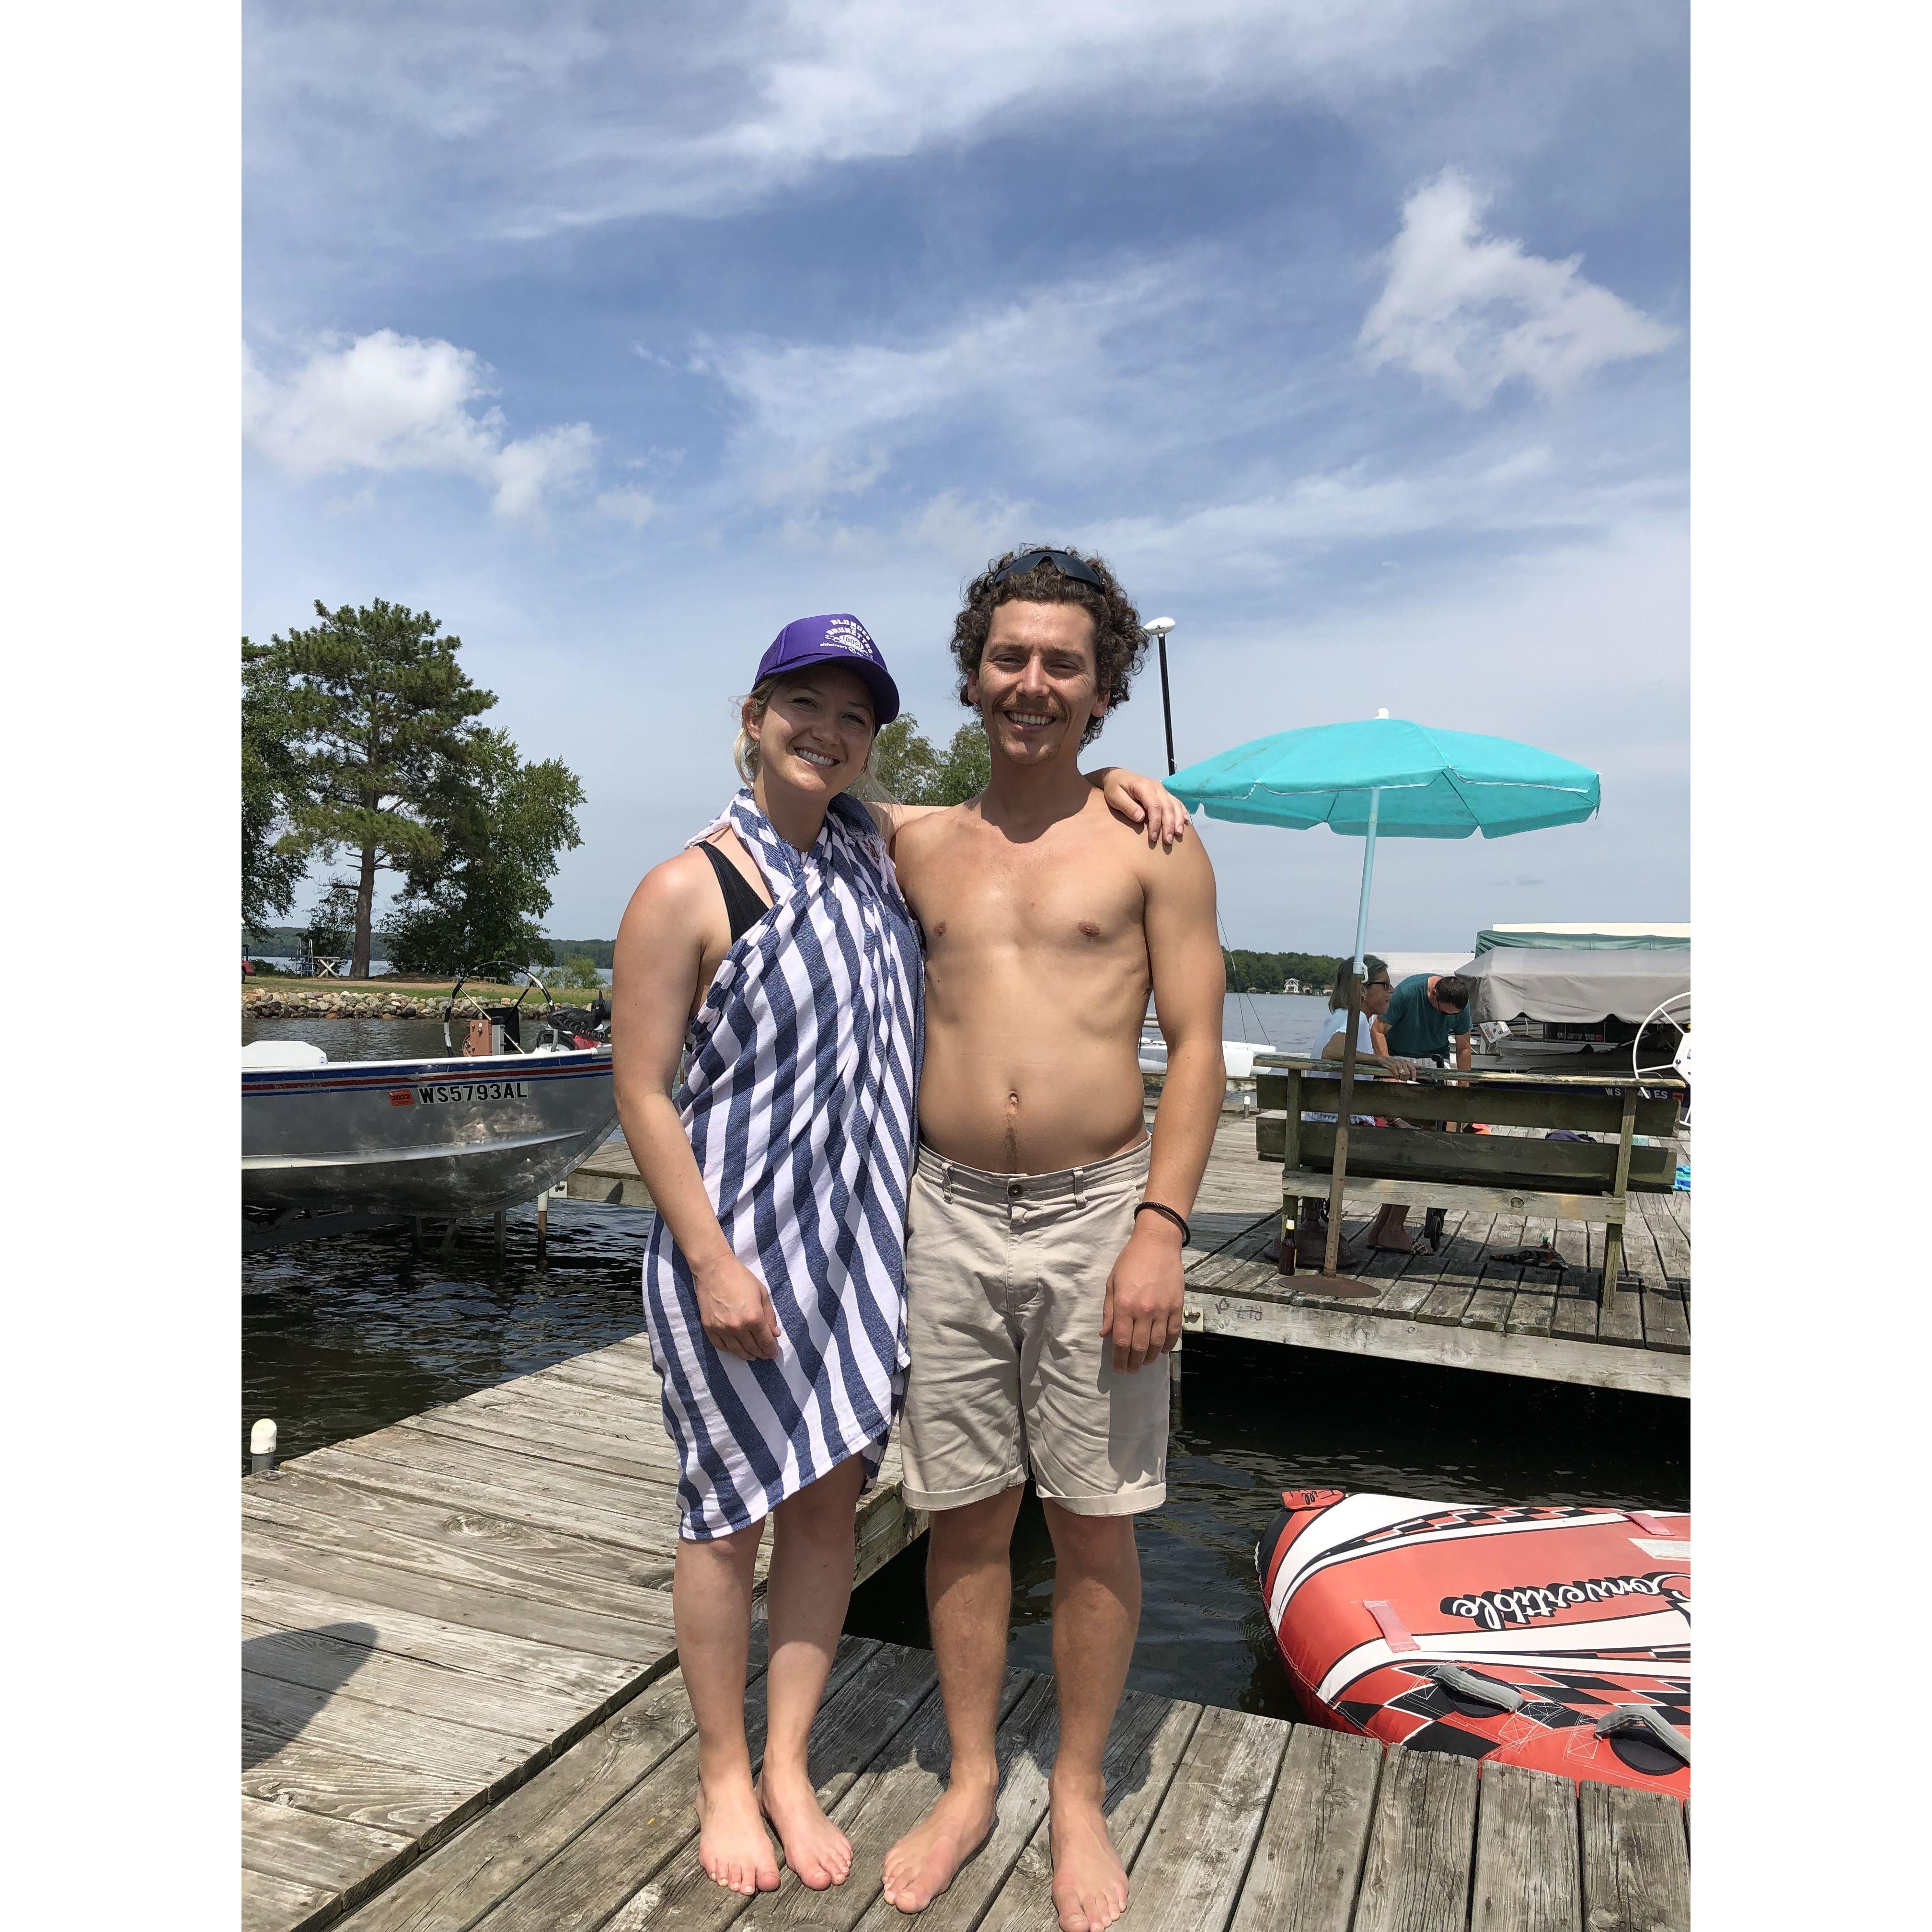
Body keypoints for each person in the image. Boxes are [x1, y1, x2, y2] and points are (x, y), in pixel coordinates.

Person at [610, 613, 1185, 1901]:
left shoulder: (874, 846)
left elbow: (993, 818)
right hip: (766, 1250)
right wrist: (708, 1258)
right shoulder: (709, 882)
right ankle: (738, 1771)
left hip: (894, 1243)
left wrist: (1114, 780)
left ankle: (823, 1766)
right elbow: (640, 1088)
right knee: (734, 1516)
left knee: (843, 1510)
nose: (825, 734)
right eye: (799, 708)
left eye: (852, 718)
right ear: (752, 714)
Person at [877, 548, 1225, 1932]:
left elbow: (1196, 1044)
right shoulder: (904, 839)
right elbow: (794, 782)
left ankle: (1075, 1791)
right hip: (944, 1208)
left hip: (1100, 1213)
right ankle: (969, 1780)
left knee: (1096, 1519)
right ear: (972, 674)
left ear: (1103, 687)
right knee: (962, 1517)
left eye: (1063, 663)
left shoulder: (1155, 837)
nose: (1033, 683)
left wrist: (1162, 1229)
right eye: (1011, 657)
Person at [1296, 956, 1416, 1265]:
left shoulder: (1346, 1018)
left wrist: (1394, 1119)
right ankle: (1390, 1229)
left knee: (1407, 1136)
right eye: (1385, 985)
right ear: (1362, 990)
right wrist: (1383, 1060)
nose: (1391, 991)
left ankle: (1382, 1230)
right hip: (1334, 1133)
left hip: (1317, 1127)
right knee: (1418, 1151)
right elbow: (1333, 1051)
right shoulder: (1352, 1018)